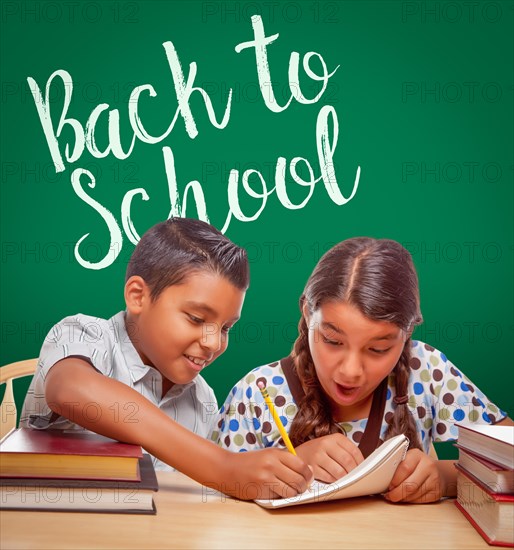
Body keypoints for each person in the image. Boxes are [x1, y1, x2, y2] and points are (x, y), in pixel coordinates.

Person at [20, 218, 312, 500]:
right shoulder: (84, 334)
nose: (213, 342)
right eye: (197, 318)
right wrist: (222, 467)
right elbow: (69, 390)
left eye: (225, 328)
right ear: (138, 296)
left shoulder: (202, 399)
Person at [211, 237, 513, 503]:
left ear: (407, 334)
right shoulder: (255, 394)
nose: (351, 371)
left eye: (378, 349)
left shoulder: (428, 371)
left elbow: (509, 460)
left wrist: (445, 478)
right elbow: (212, 494)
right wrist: (289, 466)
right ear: (306, 314)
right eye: (332, 340)